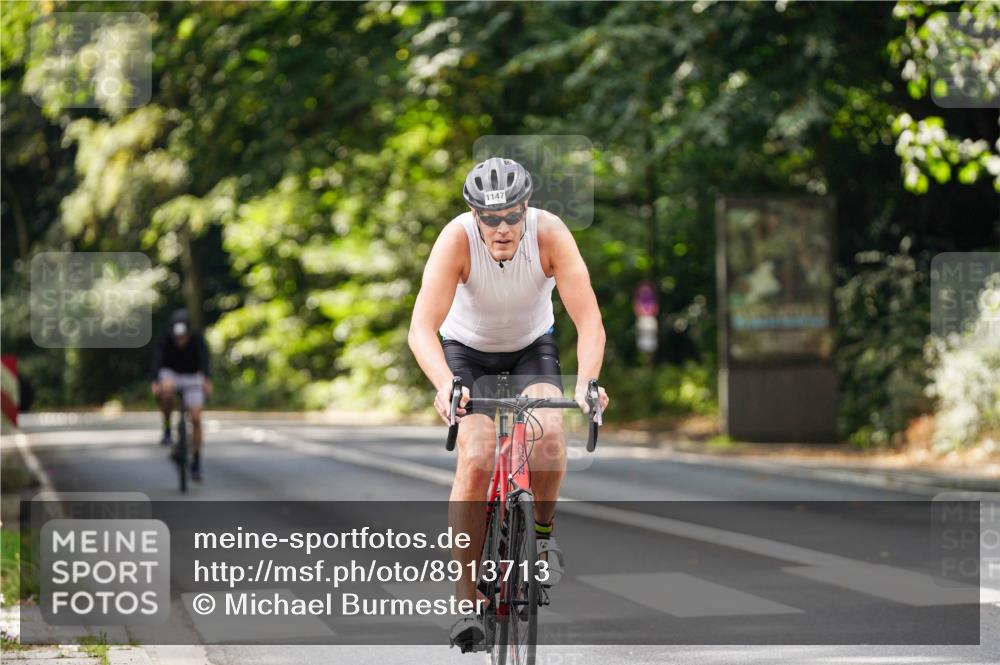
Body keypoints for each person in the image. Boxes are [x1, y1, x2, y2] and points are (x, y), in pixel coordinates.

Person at [408, 157, 609, 650]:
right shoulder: (456, 239)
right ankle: (464, 598)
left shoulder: (550, 234)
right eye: (490, 217)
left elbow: (588, 321)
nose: (502, 228)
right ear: (474, 215)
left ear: (526, 207)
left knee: (549, 435)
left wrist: (587, 383)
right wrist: (445, 384)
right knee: (476, 457)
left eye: (512, 215)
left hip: (530, 348)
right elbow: (421, 329)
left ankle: (541, 535)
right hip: (467, 352)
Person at [151, 309, 212, 481]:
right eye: (177, 337)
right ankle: (167, 428)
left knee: (196, 418)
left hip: (192, 376)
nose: (180, 340)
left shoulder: (197, 339)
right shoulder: (165, 339)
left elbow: (205, 359)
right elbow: (157, 359)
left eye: (183, 336)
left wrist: (207, 379)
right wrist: (155, 381)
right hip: (171, 374)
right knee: (167, 392)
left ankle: (196, 461)